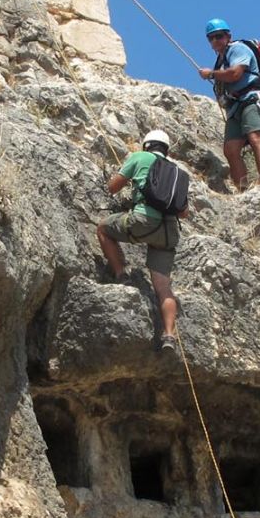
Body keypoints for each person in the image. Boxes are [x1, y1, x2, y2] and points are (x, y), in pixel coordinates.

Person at [96, 129, 188, 352]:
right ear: (166, 149)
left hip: (143, 220)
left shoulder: (140, 157)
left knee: (103, 229)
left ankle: (121, 275)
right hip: (168, 233)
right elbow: (183, 212)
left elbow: (113, 187)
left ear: (147, 145)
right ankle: (168, 335)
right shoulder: (177, 171)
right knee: (164, 287)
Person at [197, 18, 260, 190]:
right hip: (235, 105)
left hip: (251, 99)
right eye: (211, 38)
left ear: (228, 36)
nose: (215, 40)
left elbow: (235, 74)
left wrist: (211, 74)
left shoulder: (238, 49)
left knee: (255, 137)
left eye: (219, 36)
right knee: (230, 149)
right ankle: (243, 188)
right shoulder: (221, 60)